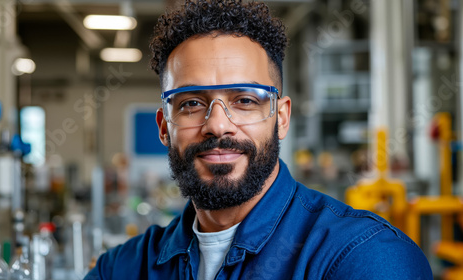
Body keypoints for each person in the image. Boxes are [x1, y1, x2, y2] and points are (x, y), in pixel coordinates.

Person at [85, 0, 433, 279]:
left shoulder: (364, 258)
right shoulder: (122, 268)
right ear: (164, 126)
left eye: (245, 101)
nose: (218, 126)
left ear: (281, 119)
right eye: (192, 103)